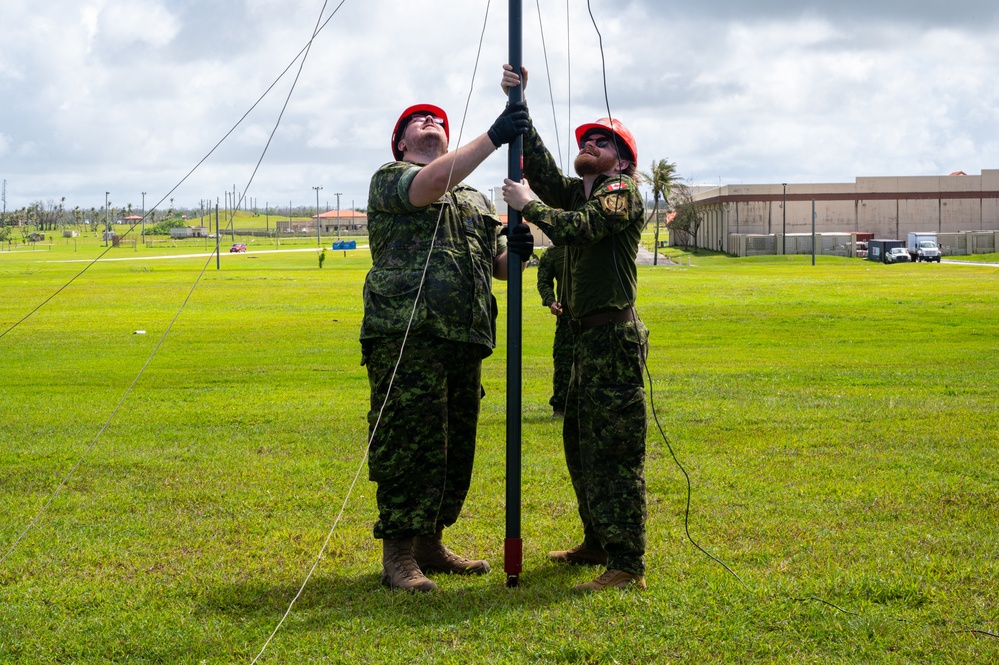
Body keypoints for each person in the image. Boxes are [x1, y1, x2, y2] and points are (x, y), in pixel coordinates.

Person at [361, 100, 534, 592]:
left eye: (437, 119)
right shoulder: (392, 178)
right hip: (407, 335)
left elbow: (499, 266)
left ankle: (430, 544)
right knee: (407, 444)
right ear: (400, 143)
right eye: (418, 120)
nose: (430, 121)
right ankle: (398, 553)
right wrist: (494, 136)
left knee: (453, 447)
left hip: (465, 337)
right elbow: (431, 185)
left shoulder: (475, 199)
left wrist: (518, 253)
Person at [500, 65, 649, 592]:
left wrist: (530, 208)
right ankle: (597, 540)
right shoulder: (581, 189)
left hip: (613, 338)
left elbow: (581, 229)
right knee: (580, 442)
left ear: (623, 159)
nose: (589, 143)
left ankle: (627, 562)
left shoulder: (622, 191)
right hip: (585, 338)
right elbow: (539, 170)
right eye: (586, 139)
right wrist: (522, 105)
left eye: (603, 141)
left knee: (613, 450)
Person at [536, 245, 574, 418]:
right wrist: (551, 301)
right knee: (563, 361)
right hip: (566, 316)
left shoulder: (591, 246)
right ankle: (560, 407)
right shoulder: (553, 252)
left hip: (595, 315)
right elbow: (544, 281)